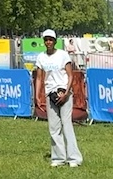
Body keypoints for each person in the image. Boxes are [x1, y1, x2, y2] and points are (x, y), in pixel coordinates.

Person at [35, 29, 82, 168]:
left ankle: (74, 158)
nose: (48, 42)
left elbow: (70, 75)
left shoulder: (63, 55)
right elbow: (39, 78)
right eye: (46, 40)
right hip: (50, 93)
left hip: (64, 92)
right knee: (54, 128)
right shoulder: (41, 57)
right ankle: (58, 158)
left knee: (67, 125)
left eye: (51, 39)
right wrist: (37, 95)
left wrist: (66, 92)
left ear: (55, 41)